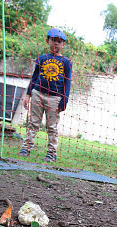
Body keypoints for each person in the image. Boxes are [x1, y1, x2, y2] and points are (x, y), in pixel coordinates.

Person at [18, 28, 72, 162]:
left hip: (55, 98)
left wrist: (64, 101)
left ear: (63, 44)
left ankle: (51, 153)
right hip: (37, 93)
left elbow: (67, 82)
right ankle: (26, 147)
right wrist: (28, 94)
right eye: (53, 41)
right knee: (33, 122)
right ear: (47, 41)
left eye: (59, 42)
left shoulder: (66, 62)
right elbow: (34, 77)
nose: (56, 44)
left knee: (52, 126)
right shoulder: (41, 59)